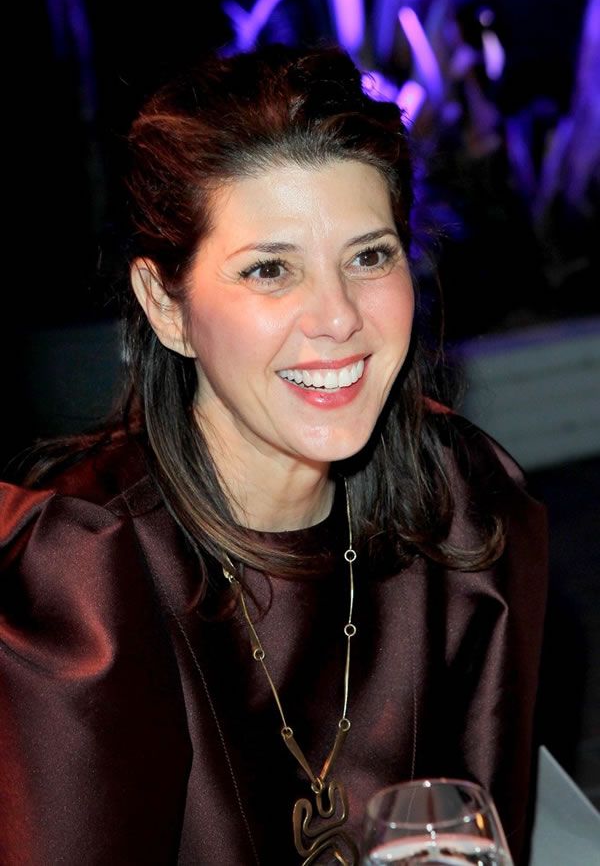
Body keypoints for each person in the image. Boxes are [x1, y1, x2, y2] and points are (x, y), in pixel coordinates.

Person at [0, 44, 547, 866]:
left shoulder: (466, 507)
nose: (338, 317)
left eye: (369, 256)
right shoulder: (85, 579)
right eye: (269, 270)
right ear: (166, 307)